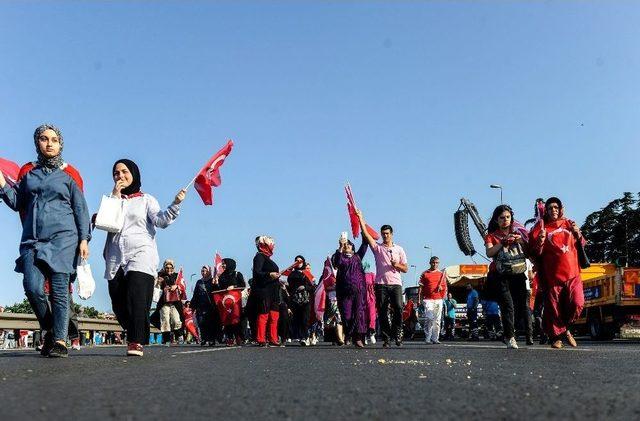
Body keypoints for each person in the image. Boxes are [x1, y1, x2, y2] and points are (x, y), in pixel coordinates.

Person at [0, 124, 91, 358]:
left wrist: (84, 239)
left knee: (60, 292)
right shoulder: (29, 174)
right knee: (32, 288)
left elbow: (80, 209)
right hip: (32, 241)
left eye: (54, 140)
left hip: (64, 239)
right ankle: (51, 329)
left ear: (61, 144)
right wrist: (1, 183)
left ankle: (60, 340)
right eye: (43, 139)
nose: (49, 143)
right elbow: (17, 202)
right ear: (37, 143)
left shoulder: (69, 176)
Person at [103, 158, 186, 356]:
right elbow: (106, 220)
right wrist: (114, 196)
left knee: (136, 297)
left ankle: (135, 340)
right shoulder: (112, 200)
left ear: (134, 173)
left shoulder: (146, 199)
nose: (120, 176)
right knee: (118, 301)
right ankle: (137, 328)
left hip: (141, 253)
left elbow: (161, 220)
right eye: (116, 173)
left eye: (124, 171)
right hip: (115, 256)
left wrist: (175, 203)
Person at [529, 197, 585, 349]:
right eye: (550, 208)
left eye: (556, 207)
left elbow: (582, 244)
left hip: (573, 273)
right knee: (553, 308)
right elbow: (533, 253)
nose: (553, 210)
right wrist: (540, 241)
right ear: (545, 211)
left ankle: (565, 329)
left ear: (561, 209)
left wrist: (578, 234)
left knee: (577, 303)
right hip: (552, 276)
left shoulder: (569, 224)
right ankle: (556, 337)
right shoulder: (541, 228)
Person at [356, 209, 408, 347]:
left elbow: (406, 269)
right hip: (381, 284)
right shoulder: (377, 248)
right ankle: (386, 338)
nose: (385, 236)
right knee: (383, 310)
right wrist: (361, 218)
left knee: (398, 308)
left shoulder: (399, 249)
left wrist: (396, 265)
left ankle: (398, 333)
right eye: (383, 234)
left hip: (396, 284)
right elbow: (366, 235)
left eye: (387, 234)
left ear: (391, 234)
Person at [485, 205, 533, 349]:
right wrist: (502, 242)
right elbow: (489, 252)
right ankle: (510, 337)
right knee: (507, 305)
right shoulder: (491, 235)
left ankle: (513, 332)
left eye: (507, 217)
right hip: (501, 275)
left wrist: (521, 241)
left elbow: (528, 253)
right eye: (501, 218)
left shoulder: (518, 232)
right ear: (496, 220)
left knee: (521, 306)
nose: (505, 220)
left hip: (518, 274)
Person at [332, 238, 368, 348]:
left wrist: (362, 228)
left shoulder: (357, 257)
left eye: (349, 244)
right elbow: (336, 262)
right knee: (346, 315)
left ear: (353, 247)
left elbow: (364, 244)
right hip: (344, 292)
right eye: (345, 244)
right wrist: (340, 247)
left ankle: (358, 338)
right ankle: (349, 334)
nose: (347, 245)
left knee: (358, 314)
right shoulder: (339, 257)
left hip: (358, 290)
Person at [252, 236, 281, 346]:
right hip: (264, 290)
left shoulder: (268, 258)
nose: (273, 246)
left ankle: (273, 338)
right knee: (264, 314)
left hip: (273, 290)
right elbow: (257, 273)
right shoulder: (259, 257)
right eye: (271, 243)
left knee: (274, 314)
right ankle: (261, 339)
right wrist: (269, 274)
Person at [215, 258, 246, 346]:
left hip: (236, 302)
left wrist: (234, 286)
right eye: (222, 263)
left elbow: (243, 285)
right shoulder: (221, 276)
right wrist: (216, 284)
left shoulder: (237, 274)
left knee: (236, 319)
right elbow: (219, 290)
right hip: (225, 303)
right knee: (227, 320)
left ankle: (238, 336)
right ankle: (230, 338)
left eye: (224, 263)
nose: (222, 265)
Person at [287, 255, 315, 346]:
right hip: (295, 299)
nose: (298, 263)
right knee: (297, 319)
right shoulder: (291, 274)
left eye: (300, 261)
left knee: (305, 318)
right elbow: (290, 287)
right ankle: (300, 336)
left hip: (306, 299)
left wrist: (305, 287)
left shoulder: (307, 273)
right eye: (296, 261)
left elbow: (312, 287)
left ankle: (305, 337)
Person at [418, 256, 446, 344]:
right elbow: (420, 288)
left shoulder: (441, 274)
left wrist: (441, 288)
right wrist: (419, 299)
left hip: (439, 299)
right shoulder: (424, 273)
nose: (435, 264)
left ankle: (435, 338)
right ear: (430, 263)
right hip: (428, 299)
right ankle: (428, 337)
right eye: (433, 262)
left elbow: (445, 287)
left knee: (437, 319)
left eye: (437, 263)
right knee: (429, 318)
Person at [157, 259, 186, 345]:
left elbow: (183, 285)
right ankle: (166, 339)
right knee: (165, 320)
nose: (169, 269)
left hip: (175, 302)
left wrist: (176, 286)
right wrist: (159, 283)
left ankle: (179, 336)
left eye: (171, 268)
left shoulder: (177, 276)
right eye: (167, 267)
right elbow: (155, 287)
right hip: (164, 302)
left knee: (176, 320)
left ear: (173, 268)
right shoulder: (160, 275)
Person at [190, 266, 216, 346]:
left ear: (209, 271)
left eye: (205, 271)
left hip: (211, 306)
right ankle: (204, 338)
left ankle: (211, 339)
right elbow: (195, 294)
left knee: (210, 323)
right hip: (200, 306)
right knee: (201, 323)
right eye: (202, 271)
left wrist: (216, 284)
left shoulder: (213, 281)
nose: (203, 272)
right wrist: (192, 306)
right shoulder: (199, 282)